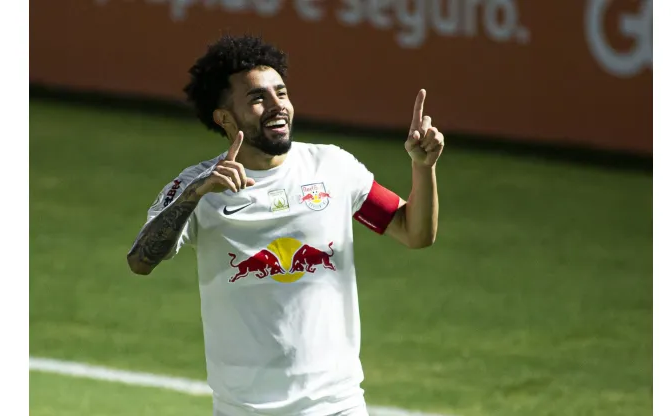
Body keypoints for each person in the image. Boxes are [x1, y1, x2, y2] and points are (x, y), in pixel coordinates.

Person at [126, 34, 443, 416]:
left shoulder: (333, 168)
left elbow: (415, 232)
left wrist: (423, 169)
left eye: (282, 93)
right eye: (258, 98)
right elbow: (141, 260)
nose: (278, 107)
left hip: (336, 406)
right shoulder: (199, 186)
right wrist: (193, 197)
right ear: (225, 118)